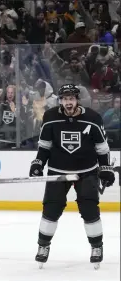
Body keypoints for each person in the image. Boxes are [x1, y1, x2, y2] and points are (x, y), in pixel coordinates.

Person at [29, 84, 115, 270]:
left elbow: (102, 148)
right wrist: (38, 163)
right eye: (65, 99)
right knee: (51, 210)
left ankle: (96, 247)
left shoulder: (92, 118)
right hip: (58, 172)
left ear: (77, 100)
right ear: (61, 100)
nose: (68, 102)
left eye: (71, 99)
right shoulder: (50, 117)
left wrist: (105, 167)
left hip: (87, 171)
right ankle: (43, 246)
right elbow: (44, 145)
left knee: (90, 209)